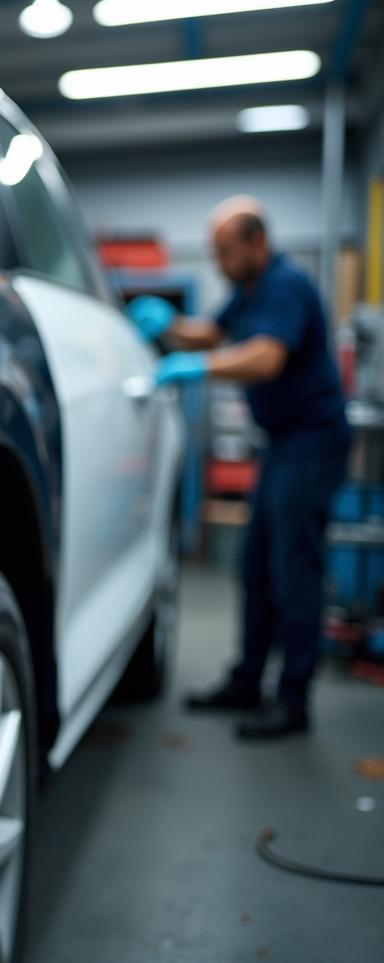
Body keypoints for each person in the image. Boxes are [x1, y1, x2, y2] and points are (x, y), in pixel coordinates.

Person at [127, 195, 352, 739]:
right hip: (281, 443)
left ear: (256, 242)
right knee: (254, 569)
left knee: (293, 571)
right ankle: (248, 681)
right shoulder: (247, 289)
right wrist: (170, 326)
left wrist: (195, 366)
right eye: (215, 254)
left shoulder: (286, 286)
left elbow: (265, 356)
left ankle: (292, 700)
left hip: (312, 440)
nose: (220, 263)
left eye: (226, 252)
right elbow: (210, 331)